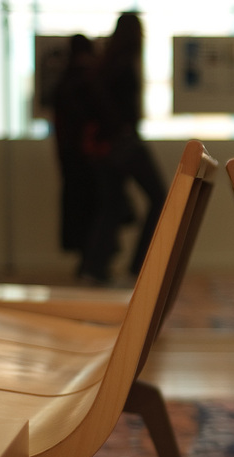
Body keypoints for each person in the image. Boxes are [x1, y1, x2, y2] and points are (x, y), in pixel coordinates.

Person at [81, 12, 168, 283]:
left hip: (107, 148)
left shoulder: (105, 63)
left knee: (112, 205)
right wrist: (123, 129)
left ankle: (94, 268)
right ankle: (138, 267)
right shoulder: (123, 64)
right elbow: (119, 111)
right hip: (124, 144)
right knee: (160, 197)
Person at [52, 34, 100, 275]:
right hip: (87, 158)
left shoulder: (65, 80)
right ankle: (90, 264)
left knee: (82, 211)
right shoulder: (86, 79)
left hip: (71, 158)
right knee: (92, 210)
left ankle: (87, 263)